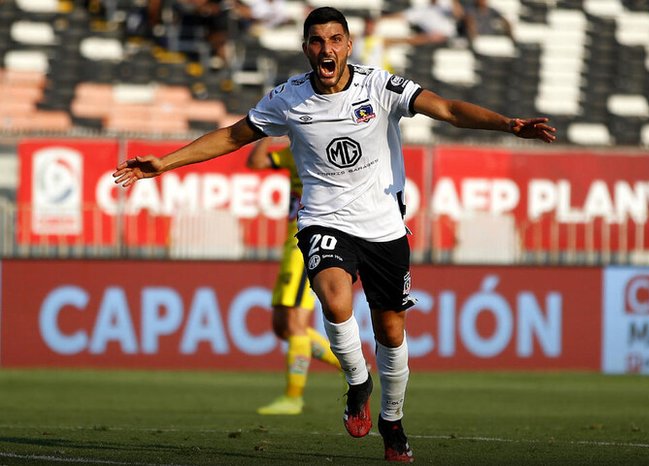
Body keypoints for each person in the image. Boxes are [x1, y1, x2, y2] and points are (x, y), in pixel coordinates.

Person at [113, 6, 555, 462]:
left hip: (383, 226)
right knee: (335, 299)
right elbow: (232, 137)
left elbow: (445, 109)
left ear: (347, 45)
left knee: (391, 330)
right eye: (317, 41)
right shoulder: (288, 98)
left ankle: (393, 420)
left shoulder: (378, 86)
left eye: (335, 39)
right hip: (324, 220)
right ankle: (357, 379)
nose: (327, 48)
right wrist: (164, 162)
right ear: (306, 48)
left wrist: (507, 124)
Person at [246, 137, 342, 415]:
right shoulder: (292, 152)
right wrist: (265, 132)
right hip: (290, 245)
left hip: (308, 242)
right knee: (282, 326)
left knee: (295, 324)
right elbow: (255, 162)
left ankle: (293, 397)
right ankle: (354, 367)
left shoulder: (323, 149)